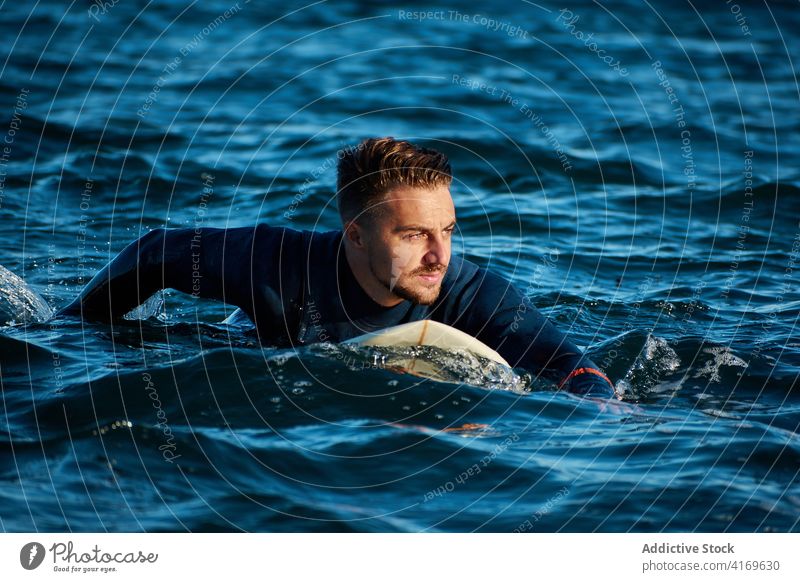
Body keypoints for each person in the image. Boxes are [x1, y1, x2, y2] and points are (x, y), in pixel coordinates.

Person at [59, 137, 616, 397]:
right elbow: (154, 251)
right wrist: (76, 331)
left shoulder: (470, 293)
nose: (438, 257)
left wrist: (605, 411)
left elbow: (574, 367)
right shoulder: (278, 262)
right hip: (255, 351)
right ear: (354, 234)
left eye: (446, 231)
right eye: (414, 234)